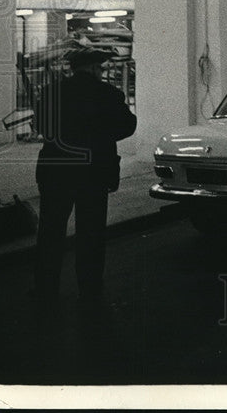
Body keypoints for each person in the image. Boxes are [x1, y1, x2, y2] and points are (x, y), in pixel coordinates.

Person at [32, 47, 136, 304]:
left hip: (56, 171)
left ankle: (46, 288)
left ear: (73, 68)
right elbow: (127, 126)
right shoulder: (109, 94)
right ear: (92, 68)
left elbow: (41, 127)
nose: (101, 72)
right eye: (99, 68)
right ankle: (89, 288)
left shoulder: (51, 92)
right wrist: (100, 134)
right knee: (91, 231)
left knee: (50, 230)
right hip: (94, 172)